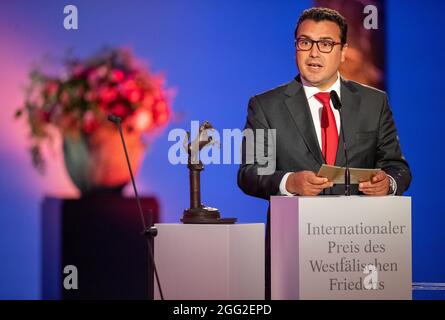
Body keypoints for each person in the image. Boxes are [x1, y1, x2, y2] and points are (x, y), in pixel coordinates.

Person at [237, 7, 411, 299]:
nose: (314, 53)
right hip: (294, 256)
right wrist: (289, 182)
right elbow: (249, 173)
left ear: (343, 51)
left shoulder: (373, 103)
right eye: (305, 42)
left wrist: (388, 184)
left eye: (326, 44)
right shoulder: (266, 106)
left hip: (360, 251)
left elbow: (398, 168)